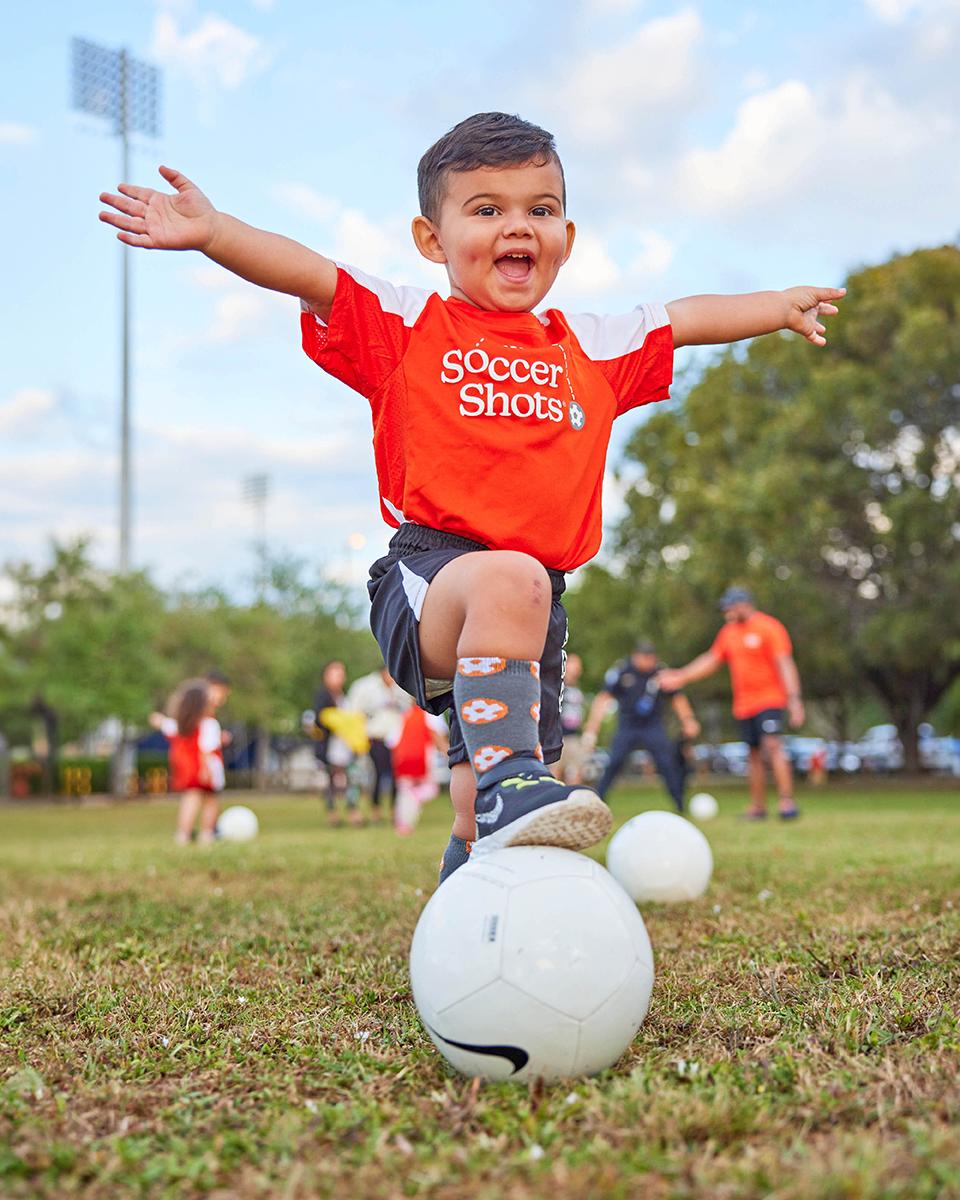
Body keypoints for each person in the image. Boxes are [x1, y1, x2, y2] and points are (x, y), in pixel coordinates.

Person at [99, 111, 843, 881]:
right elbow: (309, 273)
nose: (516, 226)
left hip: (532, 611)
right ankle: (511, 785)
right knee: (511, 642)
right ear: (432, 239)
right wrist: (215, 232)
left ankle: (469, 900)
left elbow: (686, 319)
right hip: (432, 577)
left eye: (539, 209)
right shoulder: (409, 324)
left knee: (477, 788)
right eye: (486, 209)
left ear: (568, 235)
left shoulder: (587, 344)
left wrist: (776, 305)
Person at [658, 587, 804, 819]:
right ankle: (758, 807)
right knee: (753, 754)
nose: (727, 612)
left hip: (770, 700)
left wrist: (795, 700)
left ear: (744, 604)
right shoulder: (728, 633)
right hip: (744, 704)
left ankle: (787, 802)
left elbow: (784, 663)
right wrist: (681, 675)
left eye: (730, 607)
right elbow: (711, 659)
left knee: (773, 746)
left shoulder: (769, 627)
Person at [582, 641, 700, 813]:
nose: (648, 661)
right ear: (636, 656)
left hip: (653, 725)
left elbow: (677, 698)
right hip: (627, 725)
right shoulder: (622, 671)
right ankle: (598, 802)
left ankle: (680, 803)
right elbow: (603, 698)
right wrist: (592, 729)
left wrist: (688, 720)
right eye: (644, 657)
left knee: (667, 763)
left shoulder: (660, 672)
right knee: (614, 761)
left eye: (651, 657)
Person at [150, 679, 225, 845]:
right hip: (204, 769)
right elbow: (206, 749)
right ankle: (207, 834)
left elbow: (164, 725)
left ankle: (183, 834)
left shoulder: (182, 726)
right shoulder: (209, 724)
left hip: (186, 769)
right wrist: (206, 770)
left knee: (190, 800)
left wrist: (158, 719)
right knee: (210, 802)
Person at [347, 665, 410, 821]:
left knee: (397, 775)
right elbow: (354, 711)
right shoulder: (366, 686)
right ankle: (375, 809)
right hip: (375, 738)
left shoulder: (402, 687)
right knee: (376, 774)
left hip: (397, 738)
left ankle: (395, 810)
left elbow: (409, 710)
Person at [310, 660, 363, 827]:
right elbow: (320, 720)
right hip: (330, 746)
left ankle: (353, 811)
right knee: (330, 780)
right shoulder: (322, 696)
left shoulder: (343, 696)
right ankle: (332, 813)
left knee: (351, 779)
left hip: (346, 745)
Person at [392, 704, 449, 837]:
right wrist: (449, 753)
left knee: (404, 792)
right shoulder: (432, 713)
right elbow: (436, 735)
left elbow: (393, 740)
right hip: (422, 758)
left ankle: (403, 824)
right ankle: (413, 802)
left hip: (403, 758)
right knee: (431, 789)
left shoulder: (406, 713)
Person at [554, 652, 589, 785]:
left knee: (576, 771)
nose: (577, 668)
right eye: (574, 664)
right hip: (559, 736)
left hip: (573, 736)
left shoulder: (577, 689)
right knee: (556, 771)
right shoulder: (558, 685)